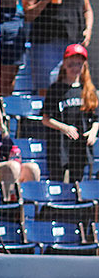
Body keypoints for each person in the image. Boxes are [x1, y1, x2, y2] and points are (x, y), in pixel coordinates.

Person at [23, 0, 92, 97]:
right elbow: (28, 15)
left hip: (73, 42)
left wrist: (88, 29)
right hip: (46, 44)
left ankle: (72, 113)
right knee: (47, 87)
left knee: (76, 83)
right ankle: (47, 113)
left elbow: (87, 9)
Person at [42, 43, 98, 183]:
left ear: (84, 66)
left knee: (77, 182)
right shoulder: (55, 89)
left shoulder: (88, 90)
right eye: (71, 64)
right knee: (58, 181)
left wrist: (93, 132)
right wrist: (64, 127)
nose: (75, 68)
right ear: (65, 65)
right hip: (60, 145)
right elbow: (45, 119)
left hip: (80, 146)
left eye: (79, 64)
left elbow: (96, 118)